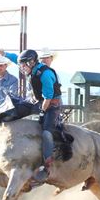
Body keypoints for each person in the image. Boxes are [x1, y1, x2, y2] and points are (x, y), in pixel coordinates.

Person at [17, 49, 62, 182]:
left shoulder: (45, 74)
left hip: (51, 105)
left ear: (31, 62)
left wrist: (42, 112)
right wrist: (6, 55)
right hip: (41, 102)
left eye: (24, 64)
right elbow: (16, 60)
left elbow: (48, 97)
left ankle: (47, 166)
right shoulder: (35, 70)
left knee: (46, 133)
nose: (22, 67)